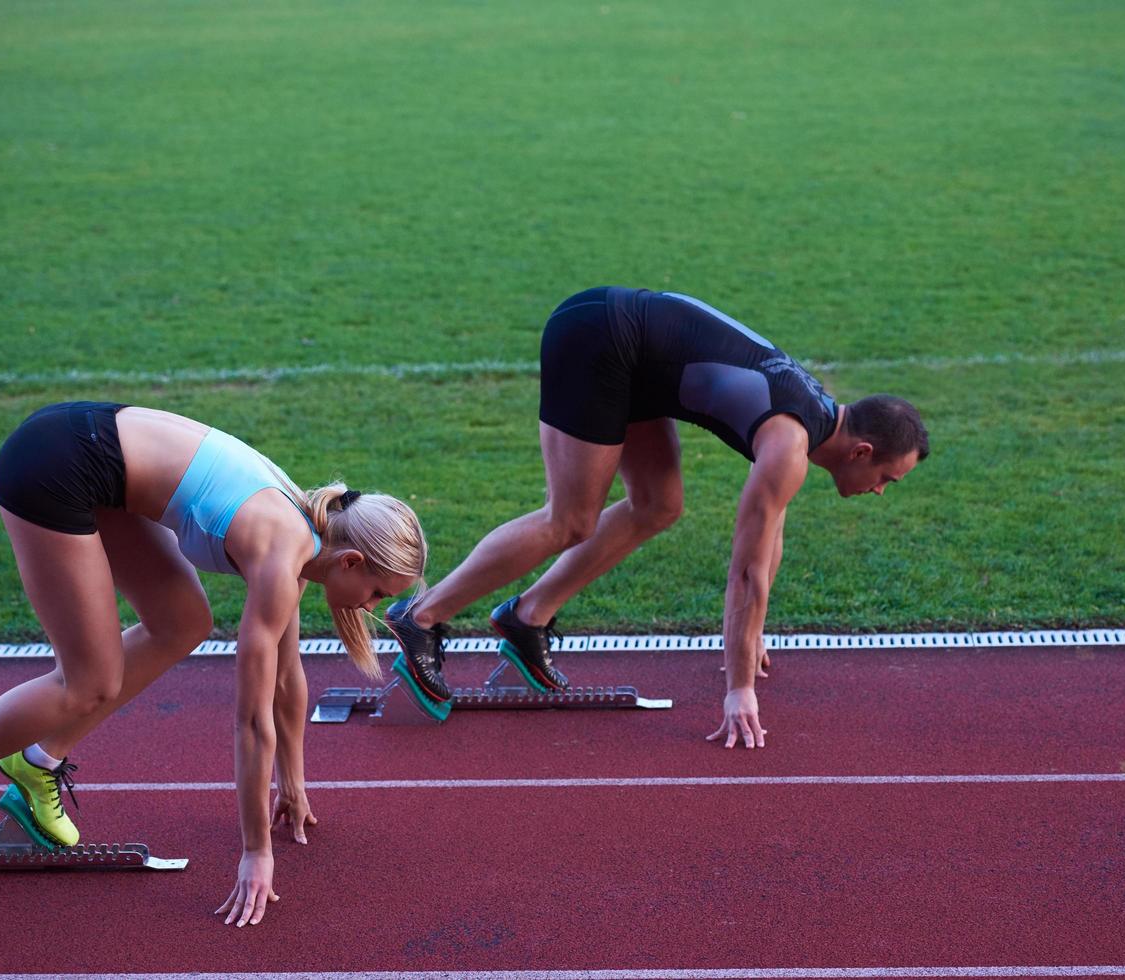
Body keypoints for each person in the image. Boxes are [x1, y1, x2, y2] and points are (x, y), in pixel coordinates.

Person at [0, 402, 426, 927]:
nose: (370, 607)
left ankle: (37, 760)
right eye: (376, 591)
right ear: (351, 560)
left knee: (182, 624)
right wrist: (255, 850)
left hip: (96, 460)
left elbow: (286, 677)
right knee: (88, 683)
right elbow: (252, 720)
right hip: (55, 465)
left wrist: (293, 783)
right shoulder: (285, 554)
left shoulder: (310, 532)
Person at [384, 287, 928, 748]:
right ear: (860, 451)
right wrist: (740, 687)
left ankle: (527, 617)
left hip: (637, 356)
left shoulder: (811, 420)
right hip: (603, 336)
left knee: (658, 505)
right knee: (570, 518)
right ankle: (422, 616)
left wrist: (751, 631)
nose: (880, 491)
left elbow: (770, 537)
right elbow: (746, 571)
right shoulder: (789, 444)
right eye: (886, 478)